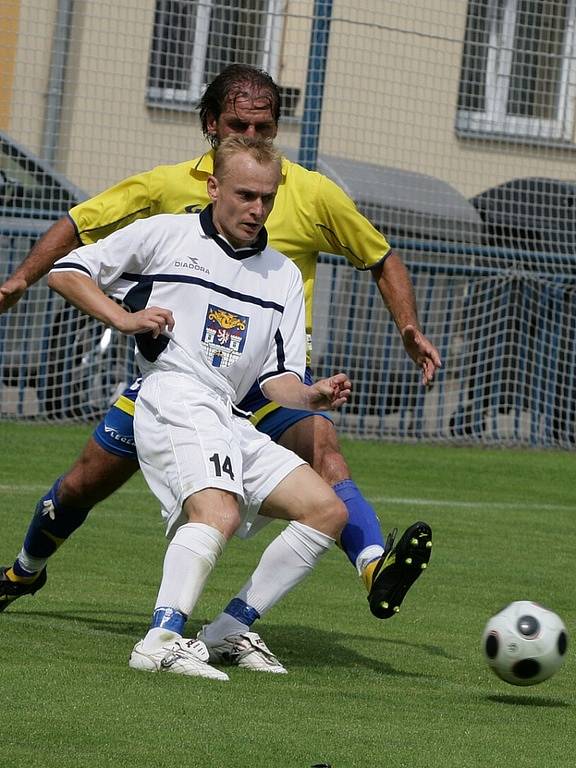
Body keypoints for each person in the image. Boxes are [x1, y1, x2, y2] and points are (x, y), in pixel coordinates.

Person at [0, 64, 438, 625]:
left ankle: (372, 568)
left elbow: (379, 255)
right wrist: (19, 280)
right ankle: (26, 567)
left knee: (324, 452)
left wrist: (408, 327)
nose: (251, 138)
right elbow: (80, 226)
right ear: (210, 124)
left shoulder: (306, 191)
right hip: (183, 378)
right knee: (86, 482)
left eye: (264, 127)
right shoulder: (168, 188)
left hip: (271, 378)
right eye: (238, 124)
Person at [47, 135, 351, 679]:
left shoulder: (282, 275)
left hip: (230, 414)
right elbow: (67, 271)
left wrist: (311, 396)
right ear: (213, 187)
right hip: (173, 395)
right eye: (245, 195)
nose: (257, 209)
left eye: (267, 197)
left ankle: (229, 630)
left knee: (326, 511)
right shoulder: (167, 234)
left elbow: (275, 378)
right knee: (219, 512)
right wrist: (122, 318)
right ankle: (160, 640)